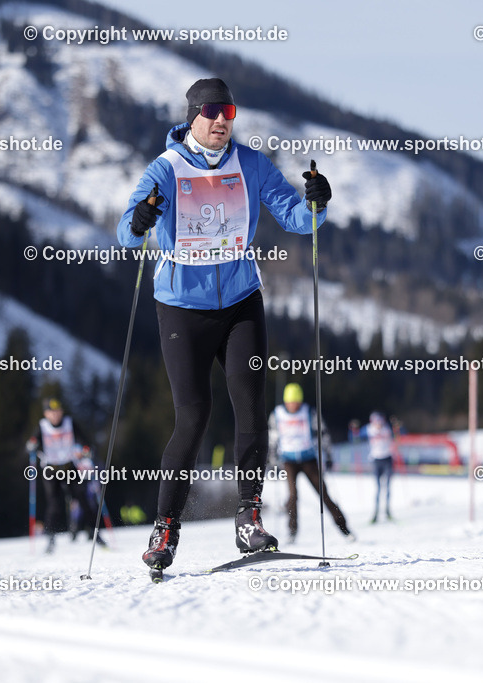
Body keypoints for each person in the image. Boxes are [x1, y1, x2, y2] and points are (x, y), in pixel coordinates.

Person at [117, 77, 332, 573]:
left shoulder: (251, 164)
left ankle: (249, 517)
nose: (220, 120)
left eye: (228, 112)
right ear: (192, 116)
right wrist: (140, 221)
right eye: (211, 112)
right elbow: (127, 232)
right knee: (193, 415)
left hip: (240, 301)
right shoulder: (166, 169)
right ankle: (165, 528)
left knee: (251, 407)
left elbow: (297, 218)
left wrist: (317, 203)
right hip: (181, 308)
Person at [268, 383, 353, 542]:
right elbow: (273, 438)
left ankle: (344, 528)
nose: (293, 406)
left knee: (323, 494)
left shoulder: (309, 412)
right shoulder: (277, 415)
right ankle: (292, 532)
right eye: (290, 402)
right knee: (292, 496)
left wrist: (328, 455)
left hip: (308, 459)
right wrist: (273, 461)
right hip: (289, 461)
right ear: (286, 402)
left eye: (296, 402)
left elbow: (323, 433)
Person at [25, 398, 106, 553]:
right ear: (46, 414)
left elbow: (84, 440)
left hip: (69, 466)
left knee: (82, 498)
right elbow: (32, 443)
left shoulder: (69, 423)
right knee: (54, 504)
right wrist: (31, 446)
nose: (55, 415)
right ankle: (50, 537)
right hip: (51, 469)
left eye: (58, 411)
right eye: (52, 412)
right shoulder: (42, 426)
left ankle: (94, 532)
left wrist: (87, 449)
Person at [366, 411, 395, 524]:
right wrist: (353, 429)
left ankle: (387, 511)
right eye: (376, 421)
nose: (378, 424)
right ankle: (376, 512)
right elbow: (355, 435)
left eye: (380, 421)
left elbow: (398, 434)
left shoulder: (387, 429)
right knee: (378, 488)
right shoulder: (369, 429)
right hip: (376, 460)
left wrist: (397, 427)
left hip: (387, 459)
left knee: (387, 487)